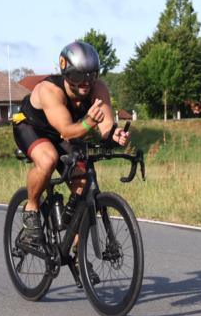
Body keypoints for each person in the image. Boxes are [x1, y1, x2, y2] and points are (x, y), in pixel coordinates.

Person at [11, 40, 129, 249]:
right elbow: (66, 130)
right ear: (66, 74)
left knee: (83, 185)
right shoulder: (50, 90)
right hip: (32, 128)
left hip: (66, 134)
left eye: (90, 75)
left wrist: (114, 134)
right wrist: (89, 122)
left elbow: (106, 126)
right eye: (78, 76)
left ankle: (74, 251)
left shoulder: (98, 88)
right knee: (48, 160)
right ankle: (31, 210)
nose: (85, 82)